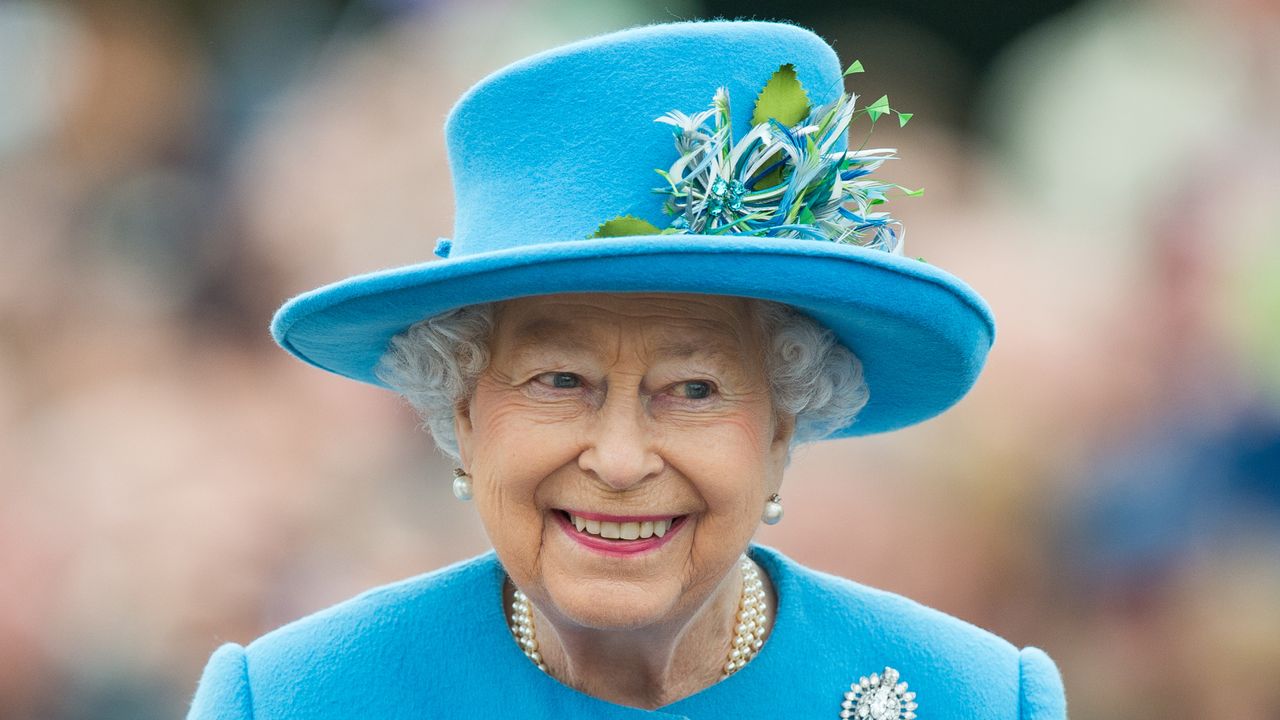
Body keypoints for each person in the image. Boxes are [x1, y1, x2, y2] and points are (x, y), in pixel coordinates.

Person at [187, 19, 1067, 719]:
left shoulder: (975, 700)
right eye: (559, 381)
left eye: (691, 390)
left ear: (783, 422)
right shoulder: (299, 700)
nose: (618, 459)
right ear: (459, 410)